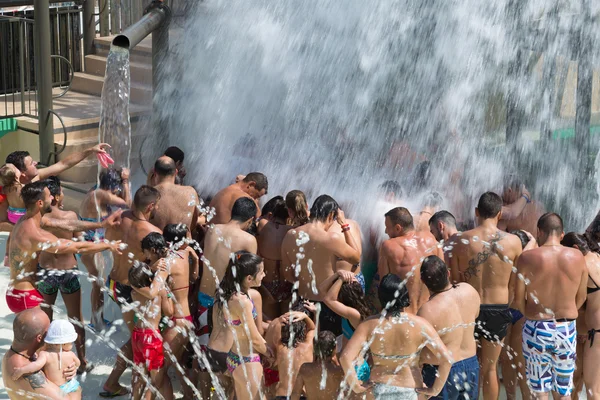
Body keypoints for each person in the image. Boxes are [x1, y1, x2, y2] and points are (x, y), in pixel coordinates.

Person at [447, 192, 522, 400]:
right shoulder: (514, 242)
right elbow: (516, 282)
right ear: (500, 214)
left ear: (476, 212)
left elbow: (454, 281)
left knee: (467, 364)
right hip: (498, 309)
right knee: (490, 369)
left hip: (468, 309)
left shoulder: (461, 240)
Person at [6, 181, 122, 315]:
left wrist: (101, 224)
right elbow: (76, 247)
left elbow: (67, 224)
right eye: (49, 196)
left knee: (33, 331)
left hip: (17, 292)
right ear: (40, 203)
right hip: (26, 296)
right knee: (41, 333)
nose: (52, 198)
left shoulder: (27, 220)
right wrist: (108, 245)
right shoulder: (36, 235)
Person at [340, 274, 452, 399]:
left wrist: (356, 386)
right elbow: (446, 359)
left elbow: (345, 358)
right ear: (404, 295)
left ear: (381, 297)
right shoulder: (420, 324)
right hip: (410, 390)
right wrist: (435, 390)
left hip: (379, 389)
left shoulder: (369, 325)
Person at [514, 213, 587, 399]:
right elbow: (581, 297)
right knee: (564, 391)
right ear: (562, 234)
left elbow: (518, 298)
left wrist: (530, 314)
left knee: (540, 392)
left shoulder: (526, 258)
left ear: (539, 231)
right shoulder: (578, 257)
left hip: (536, 327)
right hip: (566, 328)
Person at [101, 185, 162, 398]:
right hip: (130, 290)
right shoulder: (153, 233)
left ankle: (122, 382)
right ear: (151, 206)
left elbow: (107, 240)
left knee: (136, 336)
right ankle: (113, 382)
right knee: (137, 338)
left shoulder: (118, 217)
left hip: (112, 283)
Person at [281, 195, 360, 336]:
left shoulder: (290, 234)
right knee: (328, 350)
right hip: (327, 305)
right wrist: (344, 225)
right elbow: (356, 257)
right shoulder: (330, 238)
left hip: (303, 303)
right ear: (331, 215)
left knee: (304, 348)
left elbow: (288, 275)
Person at [36, 177, 92, 374]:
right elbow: (80, 241)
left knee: (44, 318)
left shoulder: (40, 218)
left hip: (45, 271)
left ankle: (43, 359)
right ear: (57, 196)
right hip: (68, 272)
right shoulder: (70, 215)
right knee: (76, 318)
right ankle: (83, 360)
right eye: (62, 192)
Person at [198, 197, 258, 346]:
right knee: (227, 351)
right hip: (225, 302)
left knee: (203, 351)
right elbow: (251, 274)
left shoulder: (212, 229)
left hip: (204, 296)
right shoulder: (249, 240)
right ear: (250, 220)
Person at [418, 255, 480, 400]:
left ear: (423, 281)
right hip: (471, 365)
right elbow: (475, 315)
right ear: (448, 273)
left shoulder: (427, 310)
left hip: (443, 371)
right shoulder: (469, 290)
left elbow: (419, 347)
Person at [210, 251, 268, 400]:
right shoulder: (242, 301)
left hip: (235, 357)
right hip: (248, 360)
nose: (264, 275)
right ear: (249, 278)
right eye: (261, 272)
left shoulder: (232, 294)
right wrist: (271, 353)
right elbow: (254, 338)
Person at [78, 168, 131, 329]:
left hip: (95, 244)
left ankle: (98, 318)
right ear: (112, 185)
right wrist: (126, 181)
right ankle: (96, 321)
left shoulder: (97, 192)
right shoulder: (99, 194)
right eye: (117, 187)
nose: (118, 191)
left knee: (99, 283)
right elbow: (127, 204)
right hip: (89, 245)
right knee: (98, 284)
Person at [2, 308, 80, 399]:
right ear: (39, 338)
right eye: (49, 331)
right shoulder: (30, 373)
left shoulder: (11, 354)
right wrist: (76, 388)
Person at [376, 207, 442, 314]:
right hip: (430, 313)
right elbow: (443, 278)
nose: (385, 231)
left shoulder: (388, 246)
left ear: (398, 228)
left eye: (387, 227)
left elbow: (384, 286)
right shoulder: (431, 240)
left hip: (405, 316)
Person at [561, 232, 600, 397]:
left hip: (596, 334)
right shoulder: (598, 257)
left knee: (592, 390)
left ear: (576, 248)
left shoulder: (582, 265)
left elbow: (577, 299)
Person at [128, 261, 174, 400]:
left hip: (137, 335)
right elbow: (169, 312)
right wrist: (168, 293)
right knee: (156, 381)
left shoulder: (133, 291)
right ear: (150, 278)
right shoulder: (159, 292)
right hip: (151, 338)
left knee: (140, 376)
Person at [257, 197, 293, 318]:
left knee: (270, 324)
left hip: (268, 284)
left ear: (272, 214)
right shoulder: (292, 231)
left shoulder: (263, 226)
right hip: (287, 284)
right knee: (286, 326)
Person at [6, 144, 111, 184]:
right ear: (22, 173)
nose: (36, 163)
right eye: (31, 164)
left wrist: (91, 150)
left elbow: (63, 164)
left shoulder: (35, 177)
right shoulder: (10, 191)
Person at [148, 156, 202, 231]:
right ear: (176, 172)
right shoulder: (190, 192)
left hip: (154, 241)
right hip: (182, 241)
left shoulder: (146, 195)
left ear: (155, 173)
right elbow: (195, 220)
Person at [274, 310, 316, 399]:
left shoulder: (281, 347)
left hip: (282, 395)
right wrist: (305, 316)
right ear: (304, 330)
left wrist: (280, 320)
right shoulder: (308, 346)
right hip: (302, 395)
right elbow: (312, 328)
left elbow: (276, 328)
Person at [292, 331, 344, 400]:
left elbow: (295, 393)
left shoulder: (305, 368)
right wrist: (336, 361)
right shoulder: (338, 370)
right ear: (334, 348)